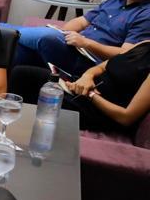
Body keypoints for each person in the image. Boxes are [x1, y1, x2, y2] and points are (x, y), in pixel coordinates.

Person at [4, 0, 150, 75]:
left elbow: (126, 55)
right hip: (76, 49)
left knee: (45, 36)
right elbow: (81, 21)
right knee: (17, 50)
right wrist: (64, 32)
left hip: (90, 63)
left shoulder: (146, 15)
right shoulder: (115, 0)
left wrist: (86, 43)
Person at [10, 41, 150, 133]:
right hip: (80, 90)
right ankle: (11, 127)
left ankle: (19, 131)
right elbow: (102, 67)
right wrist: (87, 77)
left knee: (44, 96)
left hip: (98, 112)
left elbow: (126, 117)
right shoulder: (144, 44)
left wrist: (90, 94)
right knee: (22, 73)